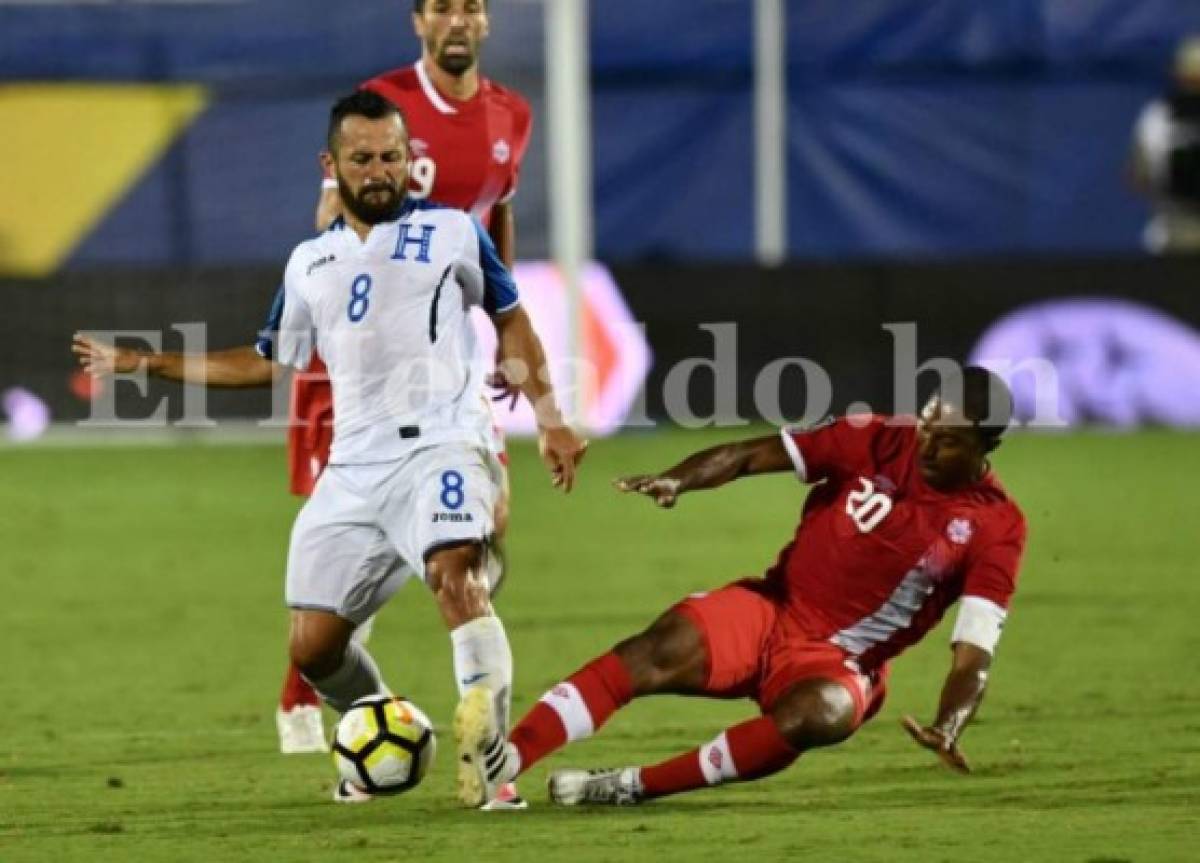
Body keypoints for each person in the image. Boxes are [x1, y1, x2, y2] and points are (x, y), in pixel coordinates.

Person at [73, 91, 586, 807]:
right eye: (362, 159)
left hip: (445, 442)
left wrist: (550, 414)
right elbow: (266, 361)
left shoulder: (453, 233)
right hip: (354, 467)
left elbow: (512, 318)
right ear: (331, 164)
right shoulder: (309, 263)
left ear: (412, 162)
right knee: (313, 648)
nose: (379, 172)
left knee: (455, 574)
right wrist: (146, 363)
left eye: (392, 157)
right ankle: (382, 725)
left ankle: (491, 757)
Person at [453, 368, 1025, 808]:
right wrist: (681, 477)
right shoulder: (875, 435)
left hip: (840, 661)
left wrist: (949, 723)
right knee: (658, 648)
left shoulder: (996, 526)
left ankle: (631, 786)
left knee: (818, 716)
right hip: (773, 609)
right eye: (926, 423)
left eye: (946, 439)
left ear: (986, 447)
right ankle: (506, 761)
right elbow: (752, 453)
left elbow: (973, 651)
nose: (925, 444)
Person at [280, 0, 533, 758]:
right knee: (349, 568)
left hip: (445, 365)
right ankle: (305, 703)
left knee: (472, 545)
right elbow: (339, 232)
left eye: (471, 7)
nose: (458, 21)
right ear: (418, 22)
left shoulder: (511, 115)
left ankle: (448, 725)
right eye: (442, 8)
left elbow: (499, 218)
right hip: (360, 367)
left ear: (486, 22)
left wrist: (499, 319)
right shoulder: (384, 105)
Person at [1131, 36, 1200, 253]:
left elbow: (1138, 178)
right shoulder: (1157, 116)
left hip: (1175, 232)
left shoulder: (1157, 116)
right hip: (1175, 231)